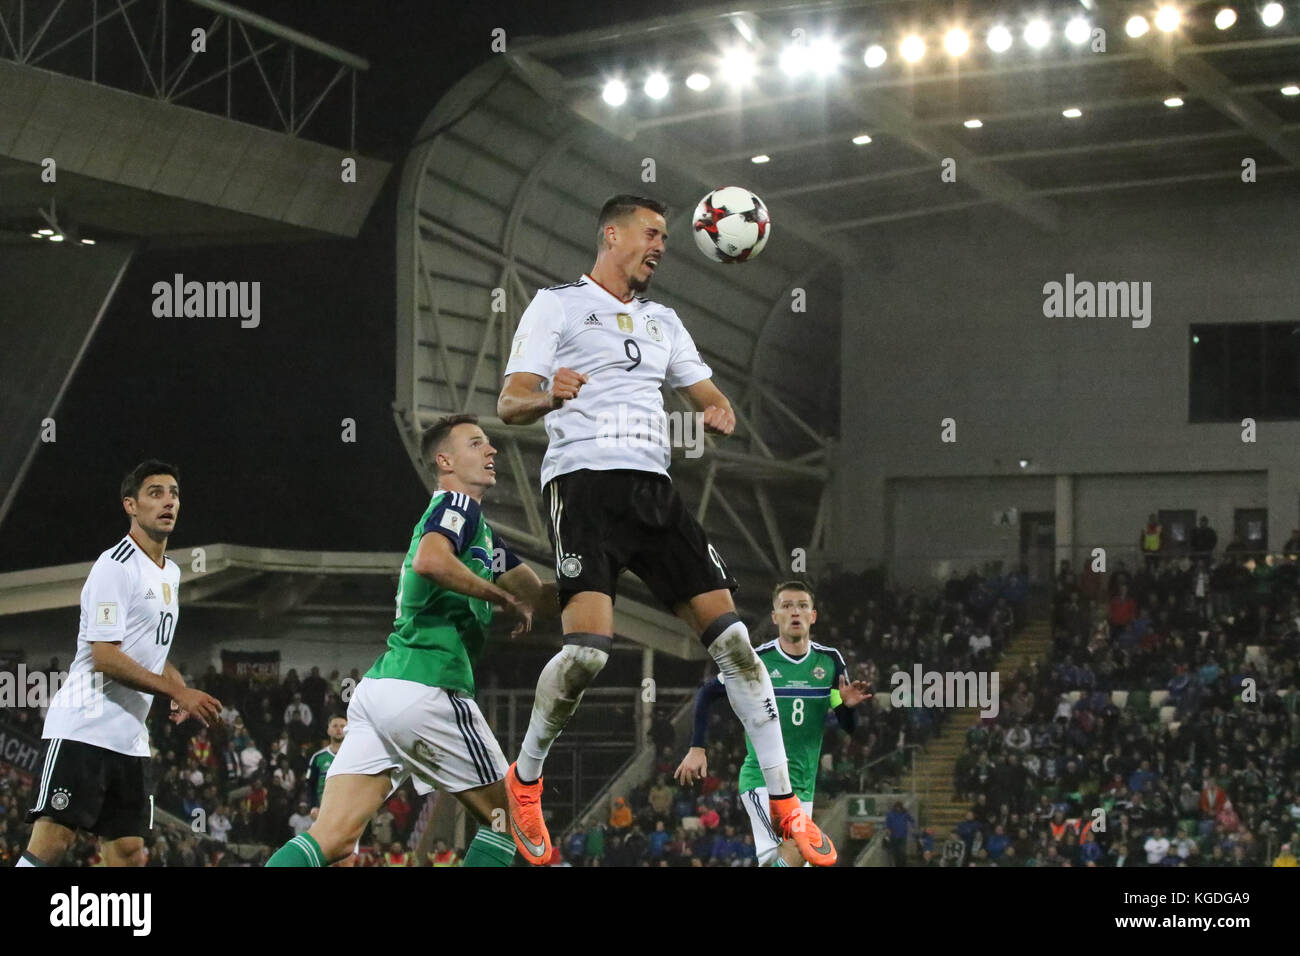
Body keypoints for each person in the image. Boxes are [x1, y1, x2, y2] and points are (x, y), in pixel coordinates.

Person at [499, 194, 832, 866]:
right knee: (587, 655)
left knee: (737, 646)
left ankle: (786, 805)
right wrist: (550, 394)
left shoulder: (664, 322)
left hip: (656, 495)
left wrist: (719, 410)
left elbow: (708, 396)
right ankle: (526, 780)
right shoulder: (556, 305)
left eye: (666, 239)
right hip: (586, 486)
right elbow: (510, 403)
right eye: (651, 235)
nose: (660, 247)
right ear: (612, 234)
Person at [265, 416, 553, 867]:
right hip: (428, 686)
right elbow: (430, 560)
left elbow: (536, 592)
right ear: (445, 460)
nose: (492, 451)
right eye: (477, 443)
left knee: (333, 839)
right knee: (509, 819)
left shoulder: (480, 534)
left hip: (382, 692)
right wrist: (501, 598)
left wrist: (594, 584)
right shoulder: (456, 506)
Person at [19, 461, 222, 867]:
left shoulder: (173, 573)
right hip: (83, 726)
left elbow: (150, 648)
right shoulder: (115, 566)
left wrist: (176, 681)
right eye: (155, 493)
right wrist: (178, 691)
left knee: (129, 852)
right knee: (54, 840)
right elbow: (106, 656)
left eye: (174, 493)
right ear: (130, 505)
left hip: (129, 738)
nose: (169, 501)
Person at [675, 581, 869, 866]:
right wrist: (697, 748)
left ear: (812, 616)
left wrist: (847, 707)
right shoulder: (758, 661)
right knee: (797, 849)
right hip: (762, 780)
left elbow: (848, 725)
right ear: (775, 616)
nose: (795, 612)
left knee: (785, 860)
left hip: (803, 785)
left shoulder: (830, 662)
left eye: (802, 606)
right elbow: (707, 691)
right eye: (786, 606)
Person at [306, 715, 347, 812]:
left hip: (348, 810)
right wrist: (313, 806)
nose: (339, 729)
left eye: (342, 726)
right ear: (328, 730)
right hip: (324, 811)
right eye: (335, 726)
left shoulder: (356, 756)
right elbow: (310, 785)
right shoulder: (318, 757)